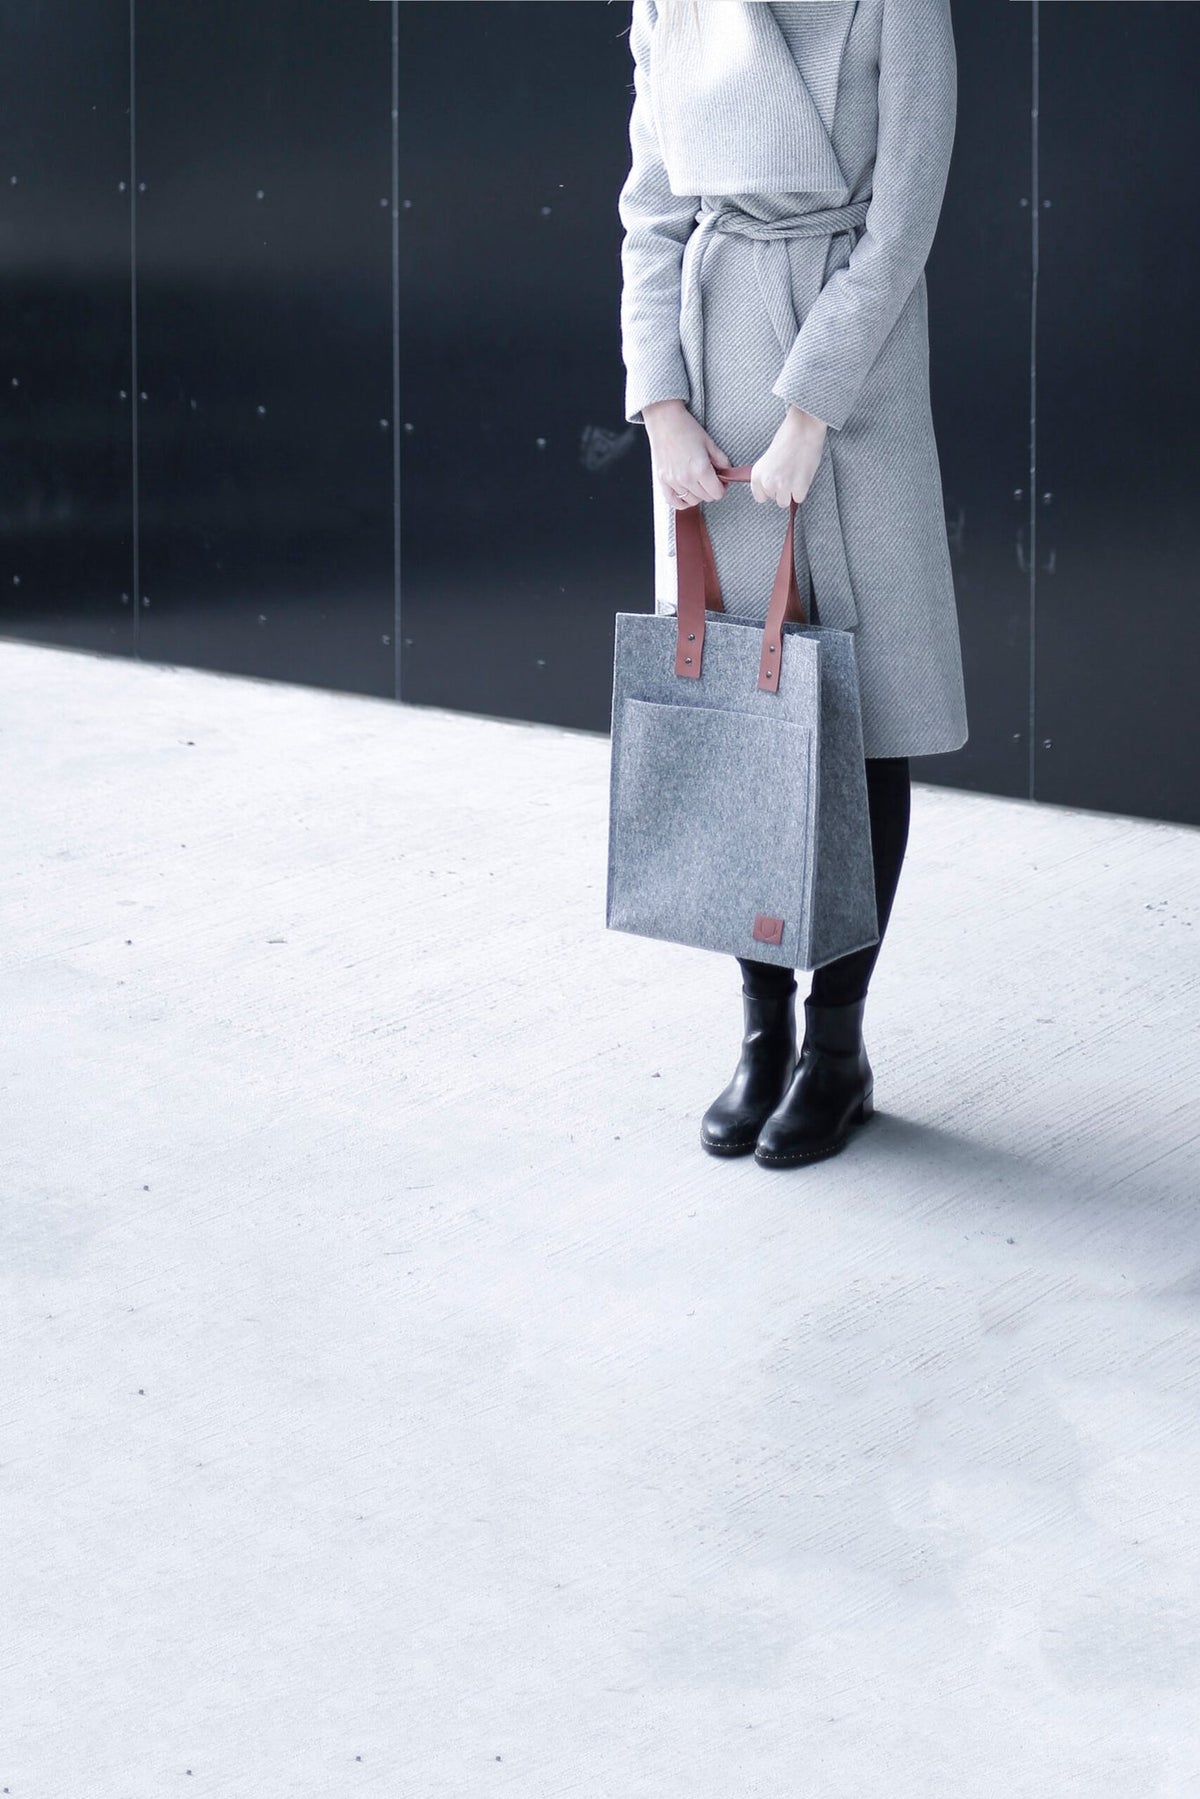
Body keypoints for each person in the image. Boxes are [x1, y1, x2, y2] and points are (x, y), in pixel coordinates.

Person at [616, 0, 969, 1168]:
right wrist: (661, 402)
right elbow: (652, 211)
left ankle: (838, 1043)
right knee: (741, 708)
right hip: (715, 371)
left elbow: (906, 218)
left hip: (851, 364)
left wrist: (814, 406)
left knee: (863, 711)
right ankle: (761, 1032)